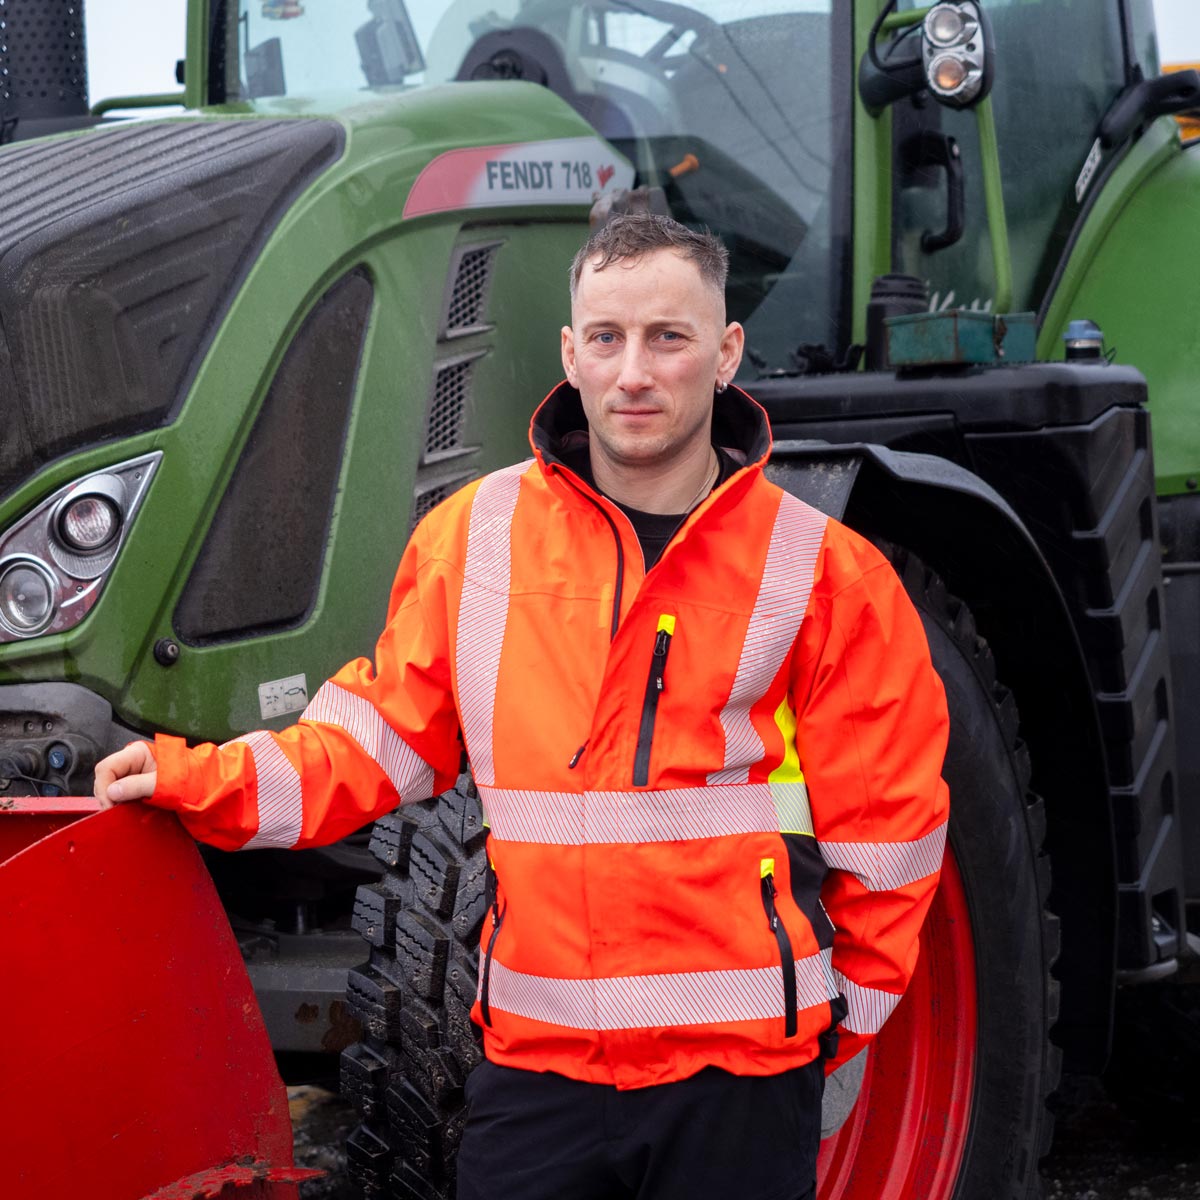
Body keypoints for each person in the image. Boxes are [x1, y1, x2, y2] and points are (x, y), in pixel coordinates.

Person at [95, 213, 949, 1200]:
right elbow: (370, 744)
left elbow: (889, 826)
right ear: (569, 355)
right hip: (542, 1076)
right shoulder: (476, 539)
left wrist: (848, 1026)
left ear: (725, 355)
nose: (635, 372)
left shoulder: (824, 571)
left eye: (668, 338)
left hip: (743, 1077)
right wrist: (195, 777)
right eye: (607, 337)